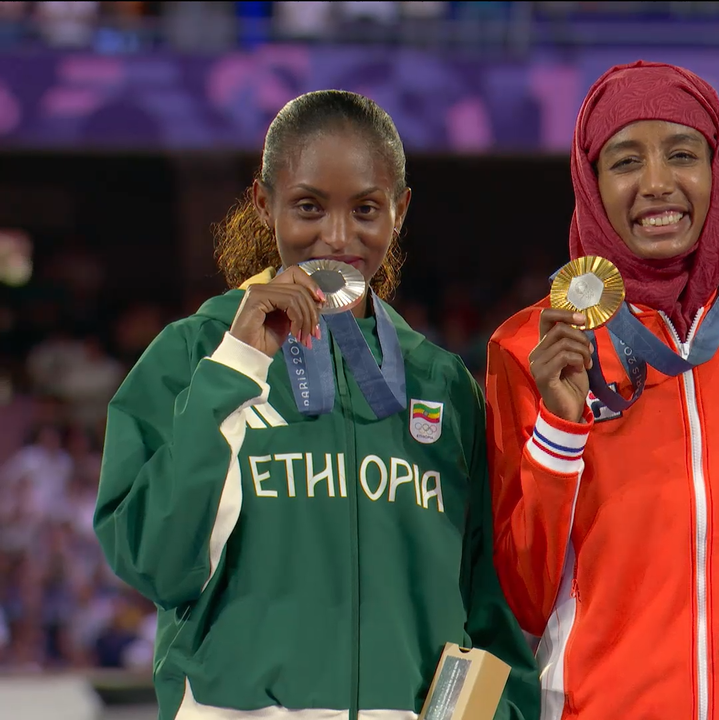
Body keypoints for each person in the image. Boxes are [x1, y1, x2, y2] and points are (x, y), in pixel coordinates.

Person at [93, 90, 539, 720]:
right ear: (263, 202)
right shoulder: (191, 357)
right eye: (308, 206)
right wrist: (237, 367)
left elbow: (487, 611)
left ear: (400, 211)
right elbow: (153, 561)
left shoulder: (443, 385)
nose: (337, 237)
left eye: (365, 209)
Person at [485, 61, 719, 719]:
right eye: (624, 162)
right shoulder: (532, 343)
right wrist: (559, 434)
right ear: (589, 185)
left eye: (682, 154)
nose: (656, 184)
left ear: (718, 169)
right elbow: (522, 601)